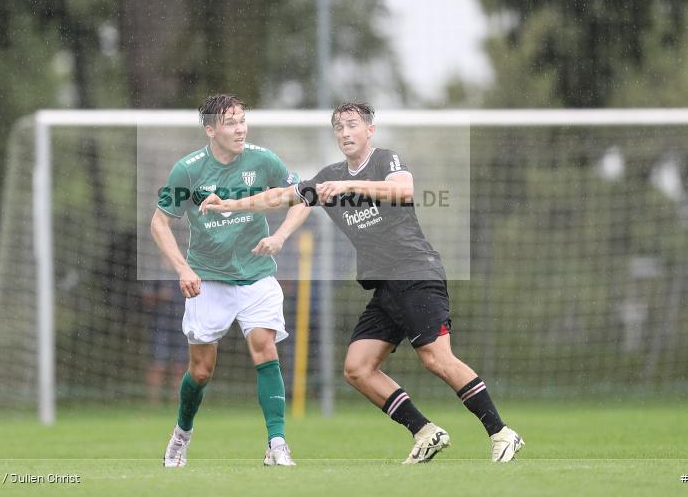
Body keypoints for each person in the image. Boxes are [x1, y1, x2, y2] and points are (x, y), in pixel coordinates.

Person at [199, 102, 524, 464]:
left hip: (415, 273)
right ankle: (425, 432)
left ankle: (502, 433)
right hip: (385, 288)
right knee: (358, 367)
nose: (345, 133)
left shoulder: (385, 160)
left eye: (352, 125)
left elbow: (403, 190)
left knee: (436, 358)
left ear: (369, 130)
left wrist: (347, 185)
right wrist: (230, 205)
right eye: (338, 127)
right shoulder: (329, 175)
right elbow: (283, 196)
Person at [150, 93, 311, 468]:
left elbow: (302, 196)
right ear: (211, 130)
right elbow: (160, 222)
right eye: (231, 122)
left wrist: (280, 237)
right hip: (209, 280)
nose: (240, 128)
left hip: (256, 276)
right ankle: (181, 434)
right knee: (201, 371)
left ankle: (277, 443)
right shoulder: (188, 170)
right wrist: (183, 270)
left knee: (264, 349)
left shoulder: (263, 159)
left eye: (243, 120)